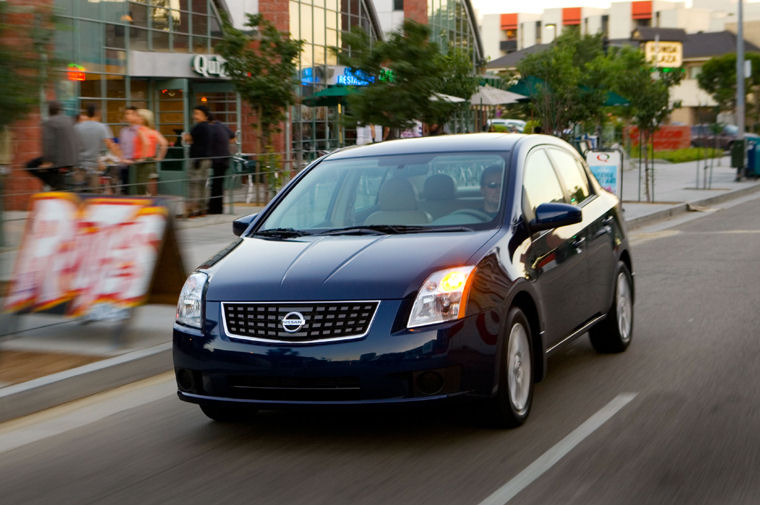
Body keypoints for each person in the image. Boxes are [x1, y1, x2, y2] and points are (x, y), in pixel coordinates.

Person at [31, 101, 78, 190]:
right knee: (60, 180)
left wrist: (47, 162)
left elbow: (48, 142)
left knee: (30, 165)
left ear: (49, 111)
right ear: (60, 110)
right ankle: (57, 184)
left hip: (58, 162)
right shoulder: (70, 120)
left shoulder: (49, 122)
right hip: (72, 160)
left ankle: (53, 183)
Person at [74, 103, 120, 192]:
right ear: (97, 113)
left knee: (79, 196)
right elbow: (110, 145)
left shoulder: (77, 127)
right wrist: (121, 158)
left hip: (79, 167)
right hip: (94, 168)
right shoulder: (102, 127)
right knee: (94, 195)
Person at [183, 105, 213, 216]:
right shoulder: (209, 127)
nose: (194, 116)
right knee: (202, 185)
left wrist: (187, 137)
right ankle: (202, 208)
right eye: (194, 113)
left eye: (197, 113)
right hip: (206, 159)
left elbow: (187, 138)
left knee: (194, 184)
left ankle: (192, 209)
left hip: (197, 160)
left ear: (205, 115)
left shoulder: (199, 127)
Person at [133, 108, 168, 196]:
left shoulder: (140, 130)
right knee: (150, 189)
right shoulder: (153, 131)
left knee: (141, 189)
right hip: (151, 162)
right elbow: (164, 144)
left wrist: (143, 158)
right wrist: (159, 158)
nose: (135, 118)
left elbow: (146, 143)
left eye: (137, 116)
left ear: (143, 119)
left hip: (143, 163)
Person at [207, 118, 235, 214]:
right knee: (218, 184)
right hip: (225, 158)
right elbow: (233, 137)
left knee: (216, 185)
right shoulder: (221, 125)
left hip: (218, 159)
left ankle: (214, 209)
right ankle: (218, 208)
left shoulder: (210, 128)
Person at [117, 106, 142, 194]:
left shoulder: (142, 130)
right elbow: (120, 147)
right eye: (126, 114)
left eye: (130, 114)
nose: (127, 116)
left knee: (137, 191)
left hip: (137, 165)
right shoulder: (123, 131)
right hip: (124, 165)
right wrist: (120, 159)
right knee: (125, 191)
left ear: (136, 116)